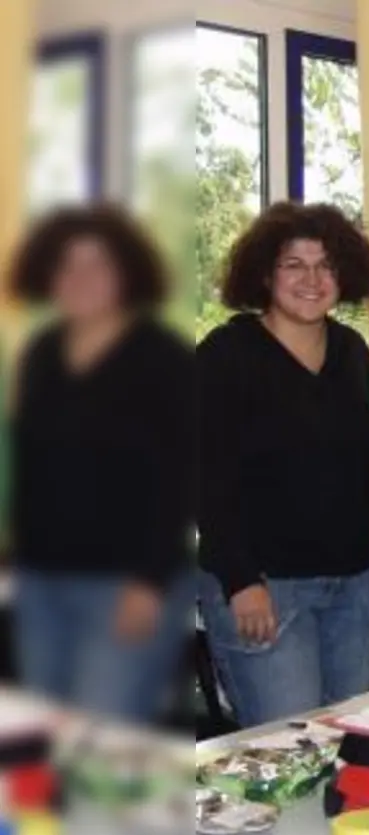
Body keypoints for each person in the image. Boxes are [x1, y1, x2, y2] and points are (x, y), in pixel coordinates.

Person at [195, 201, 369, 727]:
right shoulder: (226, 354)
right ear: (264, 273)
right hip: (265, 590)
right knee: (288, 752)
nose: (312, 279)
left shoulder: (354, 353)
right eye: (294, 265)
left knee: (342, 748)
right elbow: (205, 478)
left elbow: (368, 462)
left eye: (325, 265)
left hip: (353, 588)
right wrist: (240, 580)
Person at [3, 204, 195, 725]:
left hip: (127, 588)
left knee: (101, 742)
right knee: (44, 740)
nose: (80, 279)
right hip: (41, 583)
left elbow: (177, 479)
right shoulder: (41, 353)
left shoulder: (162, 356)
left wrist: (148, 582)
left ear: (126, 274)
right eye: (67, 266)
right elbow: (30, 468)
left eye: (97, 265)